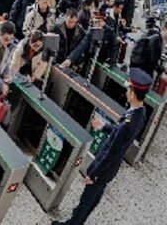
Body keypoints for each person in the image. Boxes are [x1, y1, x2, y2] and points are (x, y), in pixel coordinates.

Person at [53, 68, 150, 225]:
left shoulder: (129, 121)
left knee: (86, 199)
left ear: (132, 94)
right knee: (95, 196)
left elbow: (112, 152)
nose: (126, 92)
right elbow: (121, 135)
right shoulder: (140, 112)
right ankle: (81, 220)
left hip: (104, 167)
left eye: (128, 90)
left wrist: (93, 173)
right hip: (111, 169)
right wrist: (105, 126)